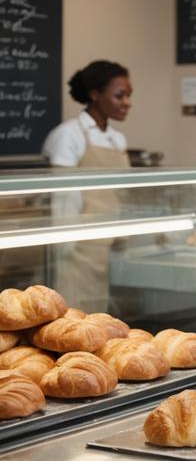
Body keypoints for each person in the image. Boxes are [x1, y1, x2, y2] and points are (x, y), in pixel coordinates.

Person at [41, 60, 133, 311]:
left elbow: (121, 192)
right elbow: (64, 199)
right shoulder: (68, 135)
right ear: (94, 95)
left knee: (99, 323)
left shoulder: (117, 139)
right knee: (70, 319)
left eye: (128, 96)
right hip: (76, 249)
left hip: (107, 244)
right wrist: (66, 247)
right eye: (119, 95)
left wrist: (121, 236)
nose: (127, 102)